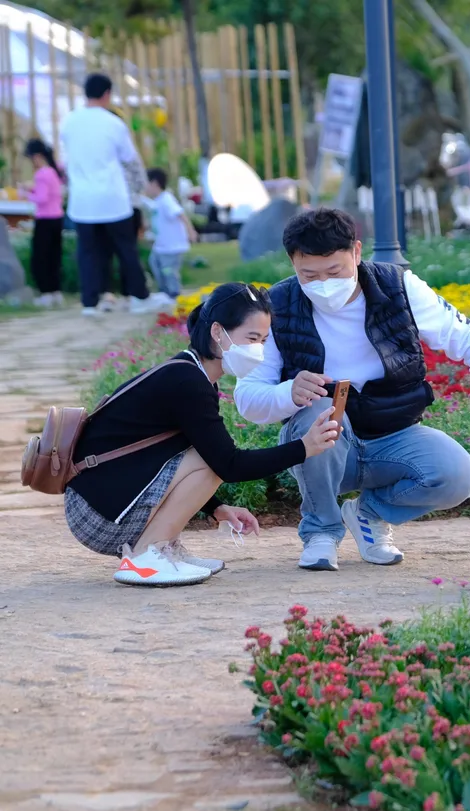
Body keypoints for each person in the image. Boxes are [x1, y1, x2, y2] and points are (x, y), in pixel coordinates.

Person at [234, 207, 470, 572]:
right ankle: (321, 532)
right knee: (320, 411)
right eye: (308, 275)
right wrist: (288, 393)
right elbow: (247, 398)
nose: (324, 285)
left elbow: (463, 335)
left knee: (457, 475)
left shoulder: (399, 287)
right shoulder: (276, 306)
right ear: (292, 264)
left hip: (393, 434)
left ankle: (368, 515)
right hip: (322, 449)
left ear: (357, 252)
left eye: (335, 271)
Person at [65, 282, 341, 587]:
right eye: (251, 338)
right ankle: (147, 555)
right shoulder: (188, 380)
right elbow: (229, 464)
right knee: (215, 460)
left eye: (263, 340)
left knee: (209, 456)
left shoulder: (192, 374)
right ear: (218, 332)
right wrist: (303, 447)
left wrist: (216, 508)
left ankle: (165, 548)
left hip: (105, 503)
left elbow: (179, 458)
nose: (258, 350)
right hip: (97, 515)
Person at [59, 73, 156, 316]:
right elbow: (127, 157)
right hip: (112, 198)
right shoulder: (113, 123)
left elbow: (65, 158)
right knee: (125, 248)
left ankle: (90, 302)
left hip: (82, 199)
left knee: (88, 251)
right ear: (107, 94)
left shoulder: (69, 122)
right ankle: (138, 296)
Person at [19, 139, 64, 308]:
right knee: (54, 256)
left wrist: (25, 194)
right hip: (57, 218)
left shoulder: (41, 174)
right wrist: (32, 188)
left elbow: (42, 199)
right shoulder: (56, 170)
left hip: (44, 219)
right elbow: (51, 193)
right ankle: (55, 292)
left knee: (40, 258)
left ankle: (45, 293)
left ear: (37, 157)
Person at [143, 167, 197, 303]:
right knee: (154, 263)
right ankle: (164, 292)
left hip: (172, 246)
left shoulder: (167, 199)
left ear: (154, 183)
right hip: (161, 245)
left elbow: (181, 214)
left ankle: (174, 294)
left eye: (146, 183)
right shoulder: (157, 202)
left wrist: (191, 231)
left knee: (168, 270)